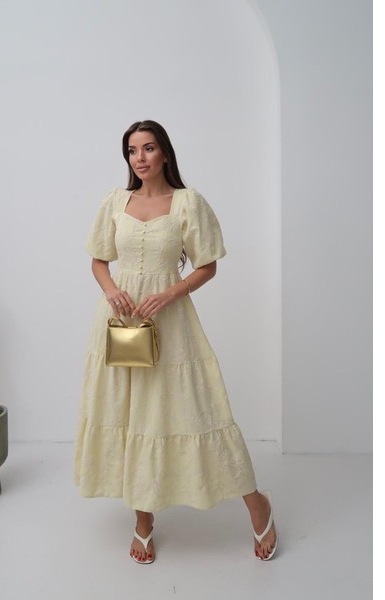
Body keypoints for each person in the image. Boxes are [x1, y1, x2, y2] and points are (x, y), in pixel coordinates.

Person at [74, 120, 278, 563]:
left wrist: (170, 293)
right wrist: (111, 290)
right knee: (130, 413)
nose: (140, 158)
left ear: (165, 153)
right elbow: (98, 261)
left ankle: (256, 502)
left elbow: (208, 266)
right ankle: (143, 520)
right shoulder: (115, 201)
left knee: (202, 410)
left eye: (148, 148)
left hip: (171, 323)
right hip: (121, 323)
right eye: (132, 151)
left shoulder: (188, 202)